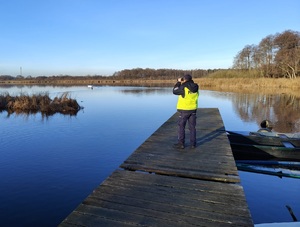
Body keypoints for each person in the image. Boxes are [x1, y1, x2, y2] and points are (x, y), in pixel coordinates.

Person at [172, 74, 199, 149]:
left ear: (185, 79)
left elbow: (174, 91)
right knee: (192, 127)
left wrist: (178, 82)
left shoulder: (183, 87)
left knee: (181, 127)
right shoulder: (196, 86)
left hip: (184, 110)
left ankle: (181, 144)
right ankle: (193, 144)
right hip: (193, 109)